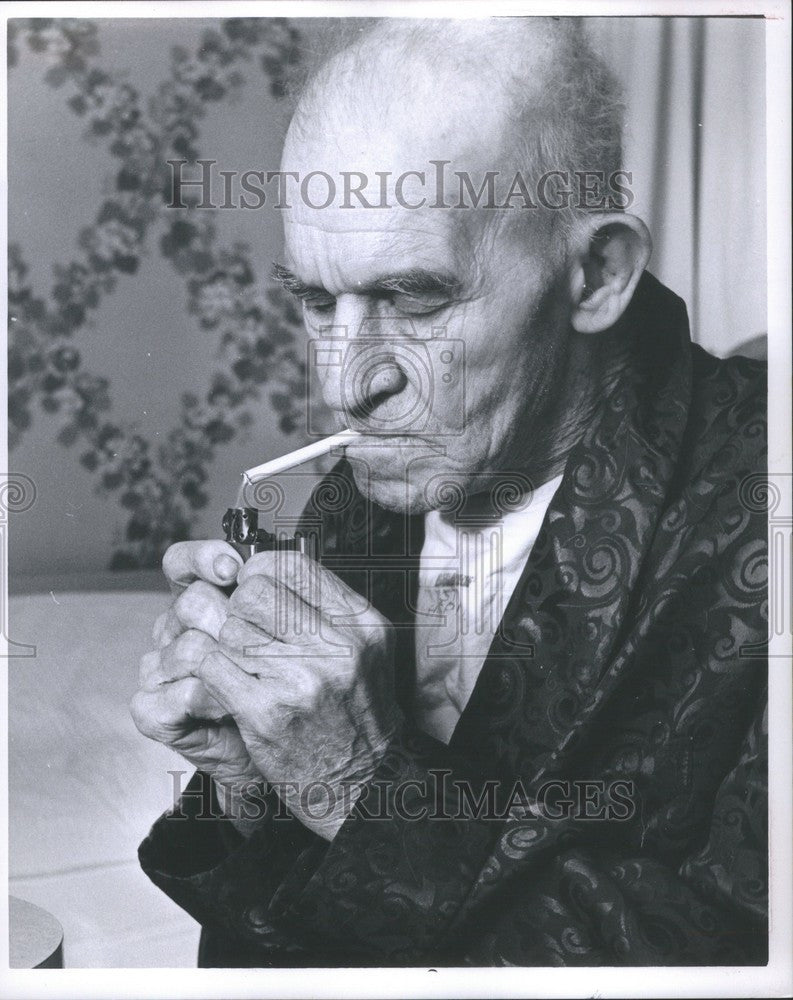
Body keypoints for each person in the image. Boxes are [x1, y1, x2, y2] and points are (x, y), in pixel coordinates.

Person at [131, 18, 768, 966]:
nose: (344, 386)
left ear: (594, 275)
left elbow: (740, 960)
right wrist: (250, 785)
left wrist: (359, 785)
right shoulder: (357, 493)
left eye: (414, 298)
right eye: (317, 302)